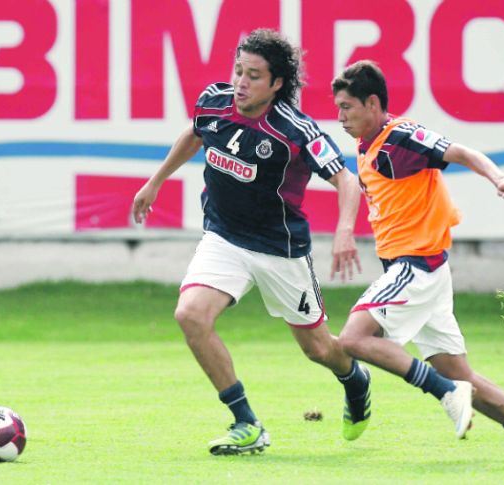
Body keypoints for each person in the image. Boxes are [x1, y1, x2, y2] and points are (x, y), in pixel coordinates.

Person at [131, 29, 371, 456]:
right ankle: (246, 422)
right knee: (190, 315)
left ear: (277, 84)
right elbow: (195, 132)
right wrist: (156, 181)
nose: (241, 82)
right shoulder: (214, 101)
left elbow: (346, 178)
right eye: (238, 70)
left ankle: (355, 379)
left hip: (279, 251)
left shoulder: (294, 130)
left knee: (318, 349)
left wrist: (345, 231)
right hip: (224, 238)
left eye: (254, 75)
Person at [330, 60, 504, 460]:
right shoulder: (367, 143)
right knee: (461, 373)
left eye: (347, 107)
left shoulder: (400, 137)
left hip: (415, 266)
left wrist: (497, 178)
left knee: (354, 339)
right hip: (425, 272)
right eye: (338, 107)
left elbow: (459, 151)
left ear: (373, 103)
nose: (340, 117)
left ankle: (444, 392)